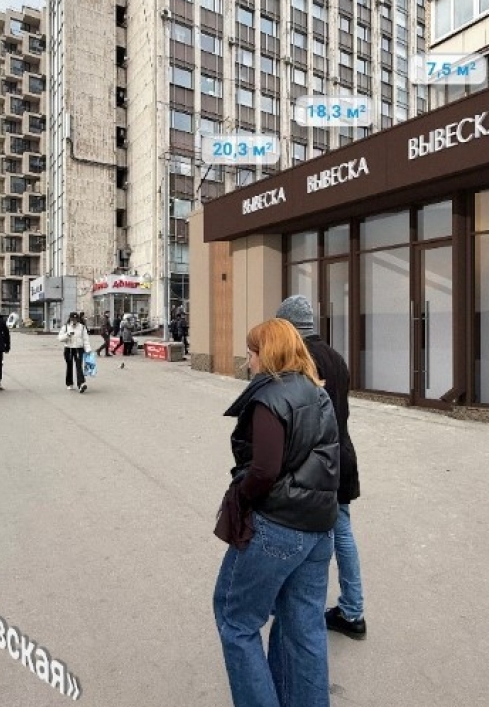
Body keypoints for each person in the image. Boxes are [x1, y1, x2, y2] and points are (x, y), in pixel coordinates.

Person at [213, 318, 340, 707]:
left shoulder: (270, 397)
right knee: (303, 628)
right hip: (319, 527)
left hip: (278, 527)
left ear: (266, 354)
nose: (248, 361)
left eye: (251, 353)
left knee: (235, 620)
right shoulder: (316, 391)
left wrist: (241, 496)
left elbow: (264, 470)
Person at [276, 294, 367, 640]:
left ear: (288, 327)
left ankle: (302, 609)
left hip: (316, 463)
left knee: (305, 534)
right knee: (342, 532)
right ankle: (352, 608)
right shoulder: (335, 357)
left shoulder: (301, 361)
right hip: (342, 455)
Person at [57, 311, 91, 393]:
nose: (74, 321)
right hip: (68, 348)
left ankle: (81, 384)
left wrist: (88, 349)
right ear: (70, 319)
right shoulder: (65, 327)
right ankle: (69, 383)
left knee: (79, 366)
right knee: (69, 366)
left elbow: (85, 339)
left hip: (78, 349)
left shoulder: (82, 327)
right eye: (73, 319)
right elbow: (60, 338)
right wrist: (67, 335)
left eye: (76, 319)